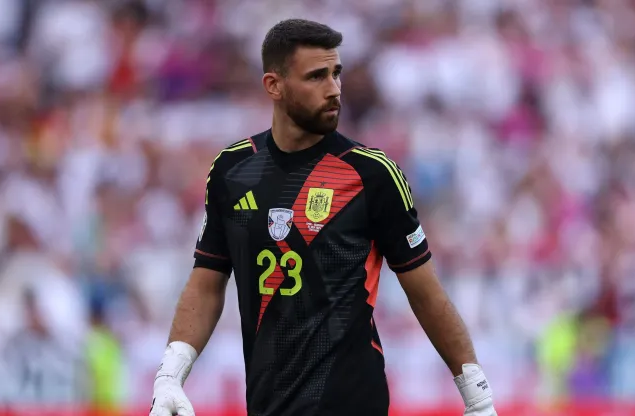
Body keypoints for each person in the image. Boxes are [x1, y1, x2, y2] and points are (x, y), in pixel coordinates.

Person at [149, 18, 497, 416]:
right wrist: (170, 376)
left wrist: (478, 397)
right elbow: (207, 281)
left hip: (352, 404)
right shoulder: (232, 171)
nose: (333, 90)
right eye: (316, 77)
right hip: (267, 406)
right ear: (273, 86)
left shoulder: (373, 174)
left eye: (336, 74)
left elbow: (425, 291)